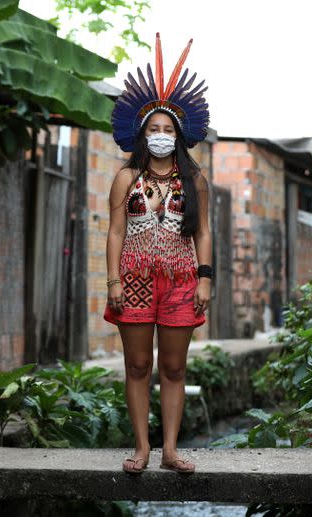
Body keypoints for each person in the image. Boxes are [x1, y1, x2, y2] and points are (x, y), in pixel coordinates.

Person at [103, 33, 212, 475]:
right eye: (154, 129)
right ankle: (142, 448)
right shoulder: (125, 177)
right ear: (142, 134)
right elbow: (114, 233)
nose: (162, 136)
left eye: (168, 130)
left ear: (179, 135)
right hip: (132, 280)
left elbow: (203, 231)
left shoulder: (195, 180)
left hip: (182, 280)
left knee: (173, 367)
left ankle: (170, 450)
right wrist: (113, 281)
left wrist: (205, 277)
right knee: (137, 364)